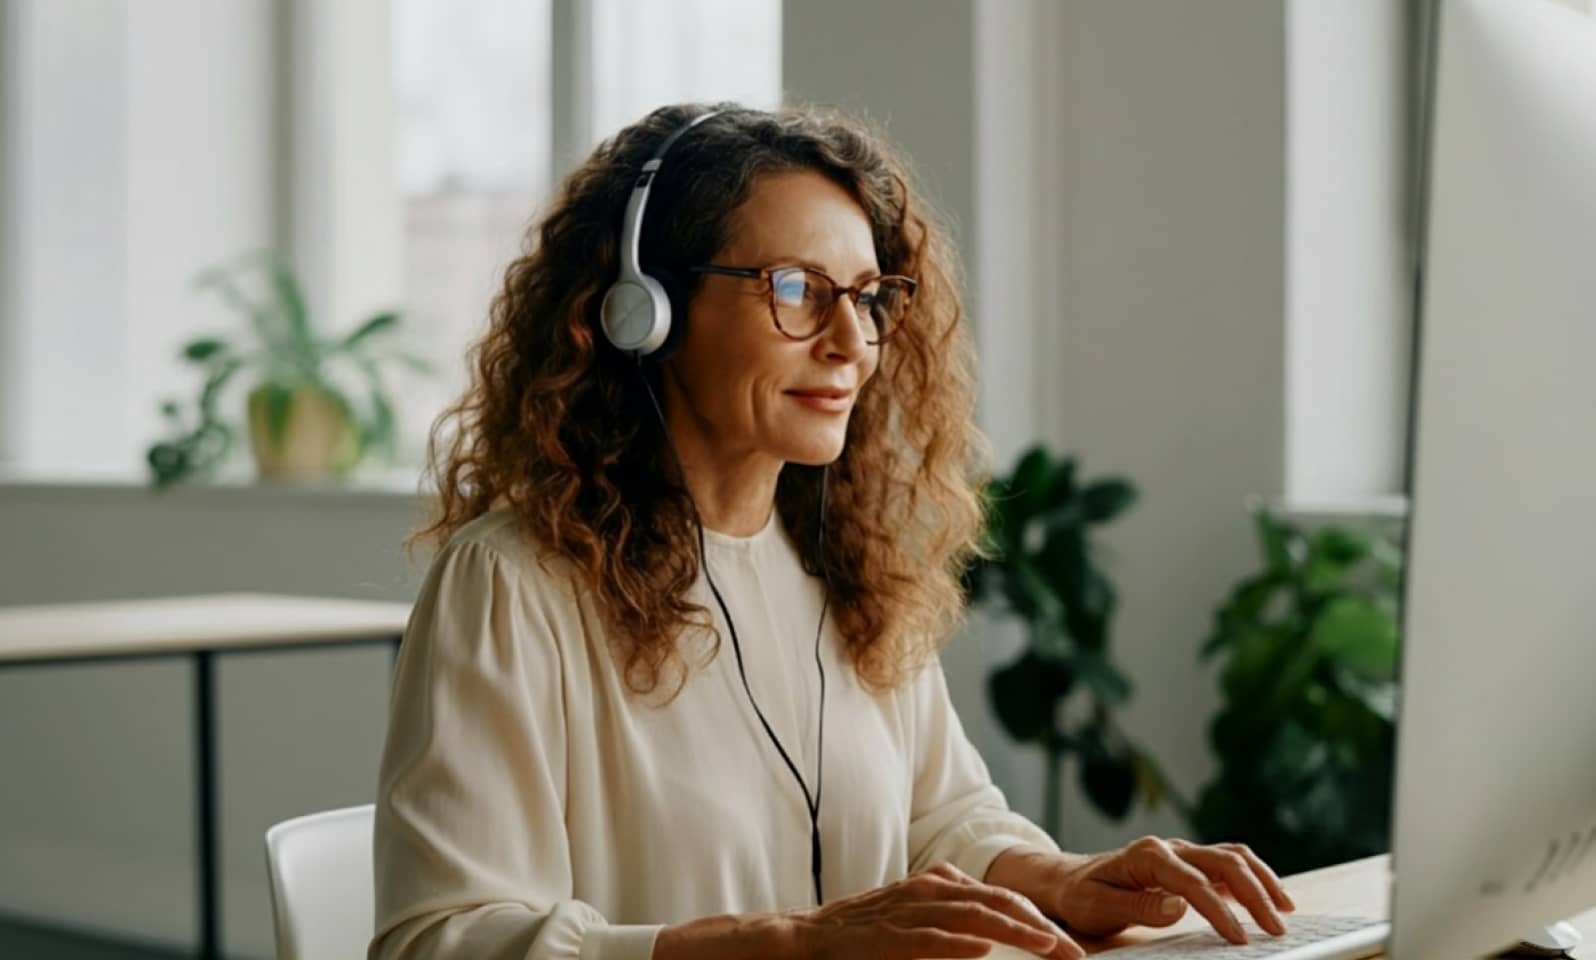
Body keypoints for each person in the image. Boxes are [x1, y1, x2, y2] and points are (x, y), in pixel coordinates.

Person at [369, 102, 1296, 960]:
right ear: (644, 311)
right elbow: (440, 939)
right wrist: (786, 944)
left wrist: (1065, 880)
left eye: (867, 296)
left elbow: (942, 817)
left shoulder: (849, 565)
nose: (851, 341)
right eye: (796, 288)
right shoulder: (512, 584)